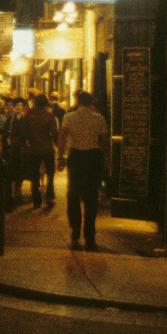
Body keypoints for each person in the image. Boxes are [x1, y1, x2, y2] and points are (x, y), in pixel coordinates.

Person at [58, 91, 111, 251]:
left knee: (73, 194)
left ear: (78, 101)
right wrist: (107, 161)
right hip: (93, 157)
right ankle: (90, 236)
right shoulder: (99, 119)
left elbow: (62, 137)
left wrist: (60, 157)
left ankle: (75, 231)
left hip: (76, 156)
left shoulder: (69, 117)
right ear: (91, 103)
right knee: (91, 197)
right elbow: (103, 142)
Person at [23, 94, 59, 210]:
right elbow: (54, 133)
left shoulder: (29, 116)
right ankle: (49, 194)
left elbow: (25, 132)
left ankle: (36, 199)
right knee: (50, 172)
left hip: (33, 149)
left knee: (34, 175)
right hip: (47, 148)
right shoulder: (49, 115)